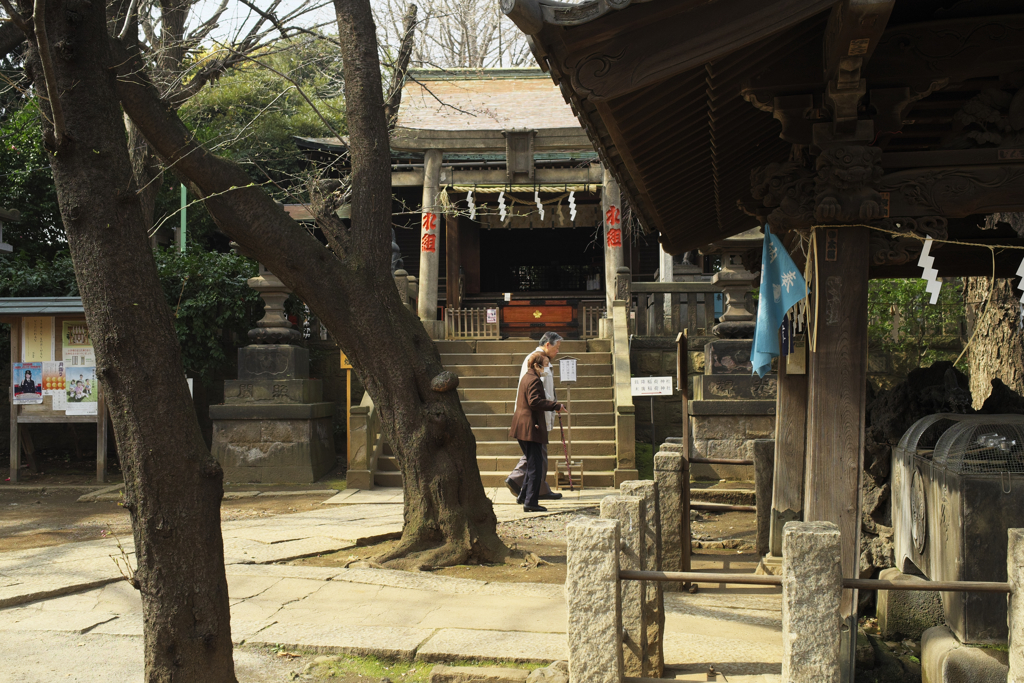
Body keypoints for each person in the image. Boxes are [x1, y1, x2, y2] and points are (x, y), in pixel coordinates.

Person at [505, 331, 563, 500]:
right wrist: (554, 406)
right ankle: (529, 488)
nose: (557, 352)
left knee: (536, 455)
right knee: (536, 456)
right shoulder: (538, 362)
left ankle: (528, 489)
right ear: (547, 345)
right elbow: (538, 395)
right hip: (534, 417)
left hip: (535, 415)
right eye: (557, 347)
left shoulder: (539, 360)